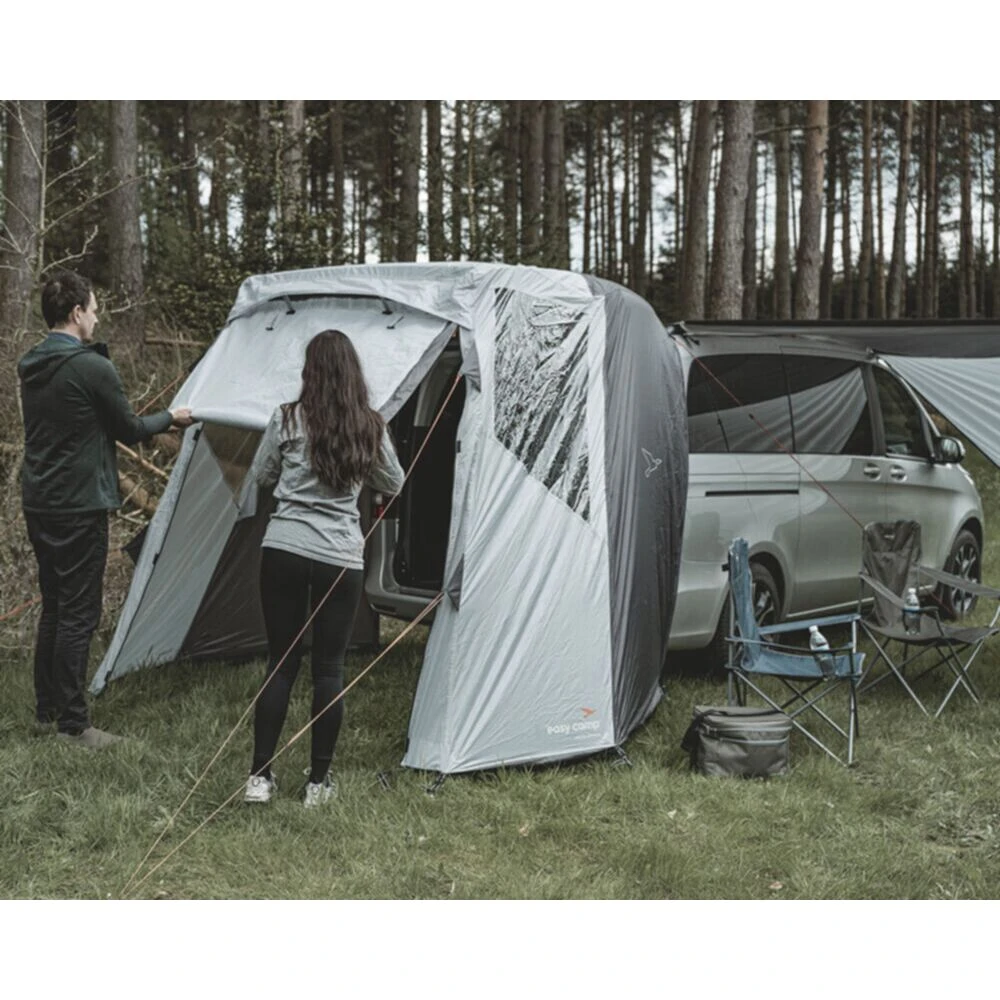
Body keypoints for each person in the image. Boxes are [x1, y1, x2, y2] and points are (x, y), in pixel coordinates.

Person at [18, 270, 193, 748]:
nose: (96, 318)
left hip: (40, 500)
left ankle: (48, 710)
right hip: (79, 504)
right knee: (78, 614)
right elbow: (129, 428)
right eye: (94, 310)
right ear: (77, 313)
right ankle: (74, 726)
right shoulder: (91, 367)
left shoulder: (31, 364)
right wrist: (172, 418)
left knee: (56, 605)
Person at [244, 329, 404, 808]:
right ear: (354, 374)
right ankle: (317, 784)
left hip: (284, 548)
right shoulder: (369, 426)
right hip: (339, 556)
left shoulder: (287, 418)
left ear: (309, 371)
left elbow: (261, 475)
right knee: (329, 670)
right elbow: (394, 481)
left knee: (281, 663)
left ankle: (259, 778)